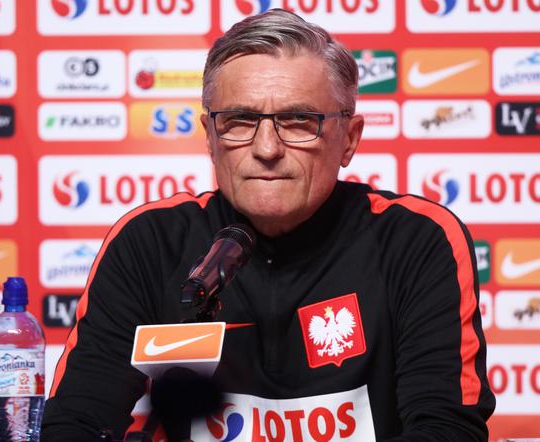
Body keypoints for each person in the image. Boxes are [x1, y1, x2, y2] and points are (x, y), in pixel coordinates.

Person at [41, 9, 495, 441]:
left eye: (298, 121)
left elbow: (448, 431)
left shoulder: (415, 239)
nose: (266, 149)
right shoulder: (150, 242)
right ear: (210, 137)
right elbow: (75, 424)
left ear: (349, 140)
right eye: (239, 120)